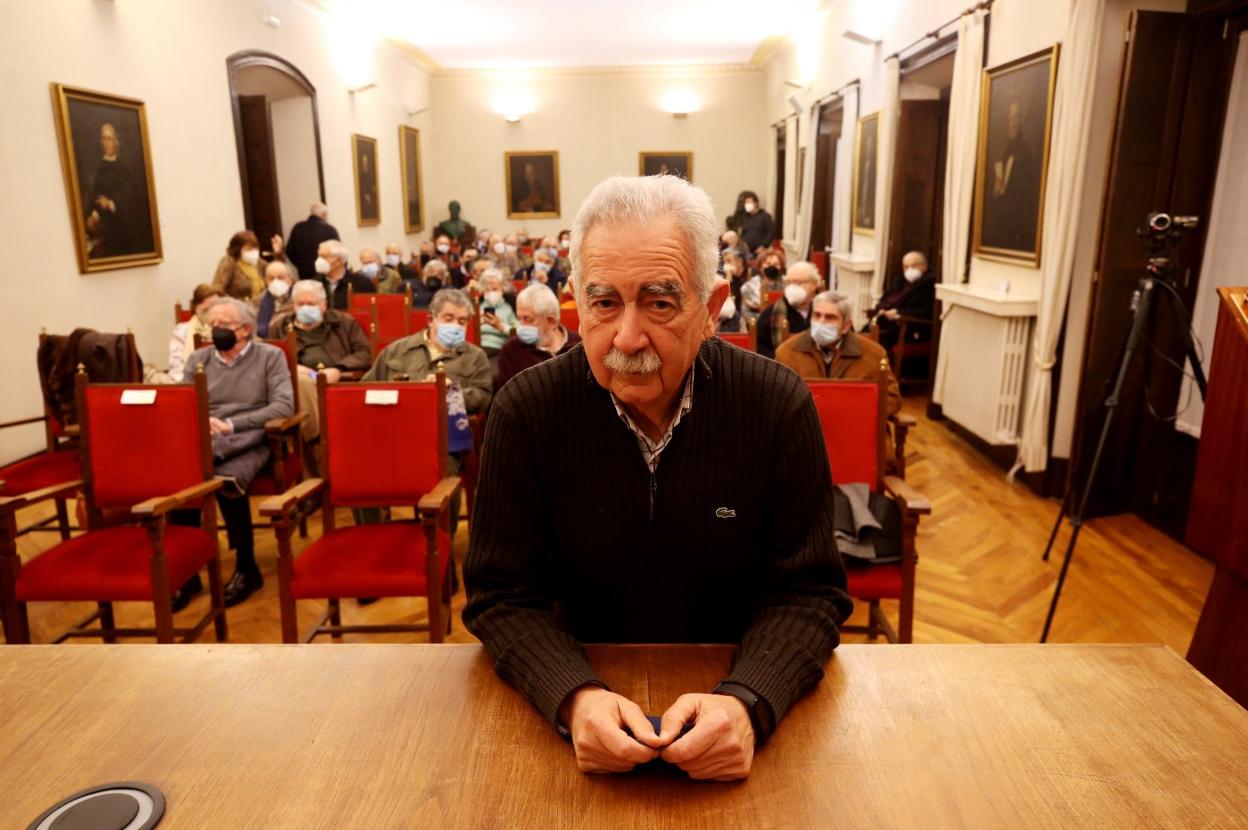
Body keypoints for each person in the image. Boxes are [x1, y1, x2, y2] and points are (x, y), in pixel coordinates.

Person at [464, 175, 851, 781]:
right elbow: (501, 596)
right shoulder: (526, 410)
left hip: (738, 708)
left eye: (660, 302)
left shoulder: (777, 404)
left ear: (712, 308)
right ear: (575, 300)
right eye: (604, 302)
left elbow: (809, 594)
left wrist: (749, 701)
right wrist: (573, 697)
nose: (627, 337)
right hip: (576, 722)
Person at [173, 297, 294, 610]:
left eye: (223, 325)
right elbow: (184, 403)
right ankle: (187, 572)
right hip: (205, 435)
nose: (215, 331)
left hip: (254, 436)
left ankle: (246, 566)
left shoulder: (270, 357)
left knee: (223, 478)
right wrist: (204, 423)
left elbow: (282, 406)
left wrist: (230, 425)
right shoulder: (198, 360)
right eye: (212, 325)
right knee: (187, 479)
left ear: (245, 329)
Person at [270, 280, 372, 447]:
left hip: (335, 383)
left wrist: (339, 369)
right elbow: (270, 359)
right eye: (300, 304)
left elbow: (365, 353)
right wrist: (290, 367)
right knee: (301, 381)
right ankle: (317, 439)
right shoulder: (280, 327)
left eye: (310, 304)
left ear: (324, 305)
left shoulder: (344, 323)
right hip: (294, 386)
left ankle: (309, 440)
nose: (305, 308)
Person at [364, 287, 492, 414]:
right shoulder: (396, 350)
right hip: (398, 419)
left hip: (448, 425)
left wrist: (452, 392)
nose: (455, 325)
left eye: (462, 321)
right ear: (431, 320)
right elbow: (365, 389)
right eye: (448, 319)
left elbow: (484, 398)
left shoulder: (476, 356)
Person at [776, 290, 900, 413]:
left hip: (854, 424)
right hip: (806, 427)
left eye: (830, 317)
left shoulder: (874, 354)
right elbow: (777, 398)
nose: (821, 322)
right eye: (817, 315)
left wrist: (849, 411)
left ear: (846, 326)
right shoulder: (787, 352)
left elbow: (892, 400)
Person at [495, 283, 581, 390]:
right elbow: (506, 399)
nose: (521, 326)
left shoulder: (579, 345)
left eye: (527, 319)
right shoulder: (511, 350)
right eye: (519, 318)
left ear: (551, 321)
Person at [83, 122, 150, 258]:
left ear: (116, 142)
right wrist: (93, 214)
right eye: (104, 139)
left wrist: (111, 204)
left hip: (122, 225)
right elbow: (96, 195)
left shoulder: (123, 167)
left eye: (109, 139)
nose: (106, 143)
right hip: (104, 224)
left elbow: (130, 197)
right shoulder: (102, 166)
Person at [146, 284, 221, 384]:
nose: (212, 313)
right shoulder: (182, 330)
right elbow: (177, 368)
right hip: (188, 381)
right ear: (196, 308)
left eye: (216, 308)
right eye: (206, 310)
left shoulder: (229, 329)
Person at [870, 250, 937, 353]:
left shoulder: (931, 285)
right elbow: (884, 300)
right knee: (865, 332)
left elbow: (926, 311)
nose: (909, 270)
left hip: (912, 327)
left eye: (914, 265)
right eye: (906, 267)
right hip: (888, 321)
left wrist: (898, 313)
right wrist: (882, 310)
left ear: (924, 266)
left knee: (883, 338)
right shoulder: (899, 281)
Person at [755, 261, 821, 360]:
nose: (792, 287)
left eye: (798, 282)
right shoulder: (771, 314)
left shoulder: (827, 312)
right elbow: (759, 346)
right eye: (789, 282)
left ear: (815, 284)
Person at [315, 239, 374, 310]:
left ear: (339, 261)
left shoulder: (362, 283)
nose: (319, 261)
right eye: (319, 256)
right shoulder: (314, 284)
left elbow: (371, 311)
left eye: (324, 257)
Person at [286, 202, 340, 279]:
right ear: (324, 214)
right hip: (325, 274)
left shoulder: (298, 228)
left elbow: (289, 251)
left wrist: (300, 264)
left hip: (304, 273)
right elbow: (338, 253)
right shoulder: (329, 230)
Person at [478, 268, 519, 361]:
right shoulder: (477, 305)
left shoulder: (510, 306)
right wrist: (478, 323)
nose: (492, 292)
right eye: (488, 289)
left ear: (503, 289)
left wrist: (501, 326)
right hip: (478, 347)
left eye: (495, 289)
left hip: (500, 349)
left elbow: (518, 331)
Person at [212, 231, 264, 301]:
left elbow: (277, 272)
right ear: (238, 249)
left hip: (259, 306)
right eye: (249, 248)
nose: (253, 252)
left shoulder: (259, 263)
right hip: (238, 308)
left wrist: (279, 254)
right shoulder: (229, 261)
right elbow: (217, 288)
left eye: (255, 248)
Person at [740, 249, 785, 324]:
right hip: (758, 324)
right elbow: (748, 313)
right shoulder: (749, 286)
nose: (771, 266)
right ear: (761, 267)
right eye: (768, 263)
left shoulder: (787, 283)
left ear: (781, 267)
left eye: (776, 264)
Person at [257, 260, 296, 338]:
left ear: (290, 279)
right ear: (265, 281)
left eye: (280, 278)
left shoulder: (298, 301)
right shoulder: (257, 303)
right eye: (271, 278)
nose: (276, 281)